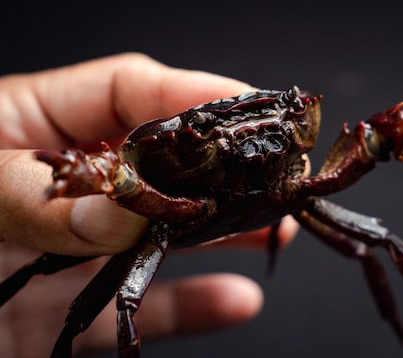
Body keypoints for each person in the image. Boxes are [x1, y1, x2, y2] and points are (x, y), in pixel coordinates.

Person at [0, 53, 298, 358]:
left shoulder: (292, 177)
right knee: (92, 312)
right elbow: (115, 174)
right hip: (159, 215)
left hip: (264, 201)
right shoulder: (134, 178)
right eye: (203, 130)